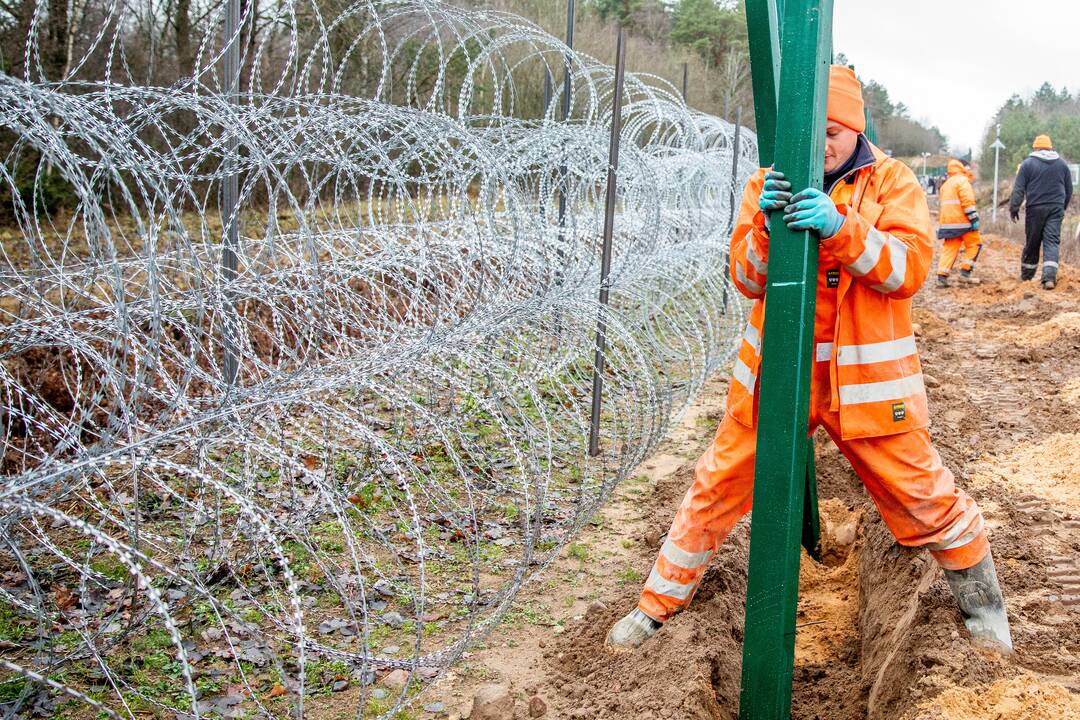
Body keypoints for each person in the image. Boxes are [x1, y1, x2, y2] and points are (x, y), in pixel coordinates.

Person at [606, 66, 1012, 654]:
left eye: (833, 132)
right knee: (714, 487)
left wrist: (840, 228)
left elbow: (907, 272)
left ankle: (984, 610)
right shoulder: (767, 185)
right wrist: (769, 232)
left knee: (925, 493)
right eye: (810, 131)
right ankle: (655, 609)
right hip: (776, 381)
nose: (820, 145)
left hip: (866, 389)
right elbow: (745, 279)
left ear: (856, 130)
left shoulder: (892, 183)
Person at [1009, 135, 1073, 290]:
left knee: (1033, 241)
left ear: (1035, 148)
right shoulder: (1062, 165)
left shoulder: (1027, 164)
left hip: (1035, 208)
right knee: (1052, 241)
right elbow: (1069, 189)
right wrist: (1061, 207)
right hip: (1056, 207)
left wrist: (1014, 207)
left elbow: (1018, 189)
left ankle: (1027, 277)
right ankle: (1049, 278)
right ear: (1050, 147)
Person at [935, 159, 982, 286]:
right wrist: (974, 219)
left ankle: (942, 276)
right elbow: (967, 201)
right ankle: (964, 274)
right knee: (974, 244)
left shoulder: (946, 185)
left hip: (948, 224)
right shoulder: (962, 181)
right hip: (964, 222)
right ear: (962, 167)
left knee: (950, 248)